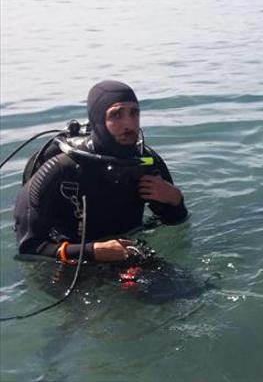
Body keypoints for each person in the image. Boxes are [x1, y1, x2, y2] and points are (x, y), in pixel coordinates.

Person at [13, 80, 188, 264]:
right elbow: (28, 249)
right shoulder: (59, 171)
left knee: (189, 290)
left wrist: (175, 200)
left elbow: (175, 222)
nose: (128, 124)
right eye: (116, 115)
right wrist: (93, 251)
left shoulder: (146, 163)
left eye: (134, 113)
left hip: (129, 254)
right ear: (98, 119)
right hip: (70, 266)